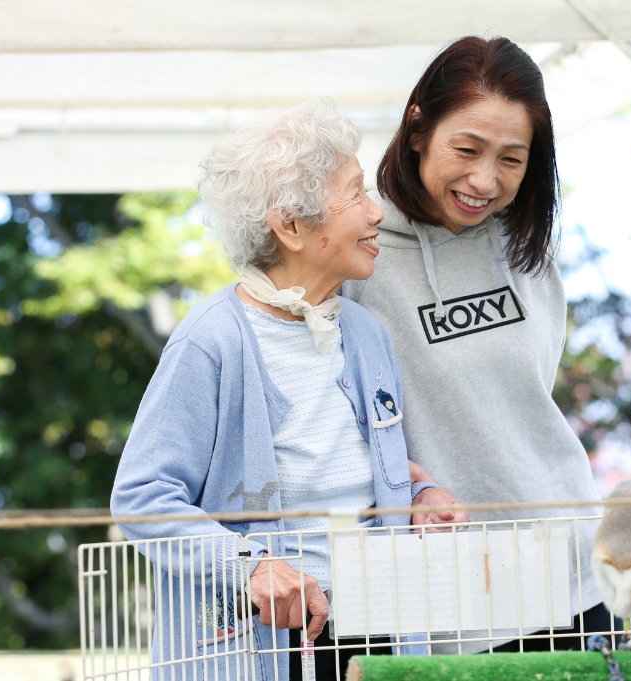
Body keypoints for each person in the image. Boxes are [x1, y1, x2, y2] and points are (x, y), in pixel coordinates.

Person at [111, 99, 466, 681]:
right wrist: (247, 566)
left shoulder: (366, 332)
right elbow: (142, 498)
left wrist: (420, 494)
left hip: (378, 634)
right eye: (355, 194)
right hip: (264, 648)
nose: (377, 213)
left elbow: (357, 462)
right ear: (291, 225)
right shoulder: (211, 340)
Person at [340, 36, 616, 652]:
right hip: (444, 597)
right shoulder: (358, 253)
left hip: (573, 574)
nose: (484, 179)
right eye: (466, 149)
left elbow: (526, 397)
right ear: (417, 131)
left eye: (512, 159)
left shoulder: (529, 252)